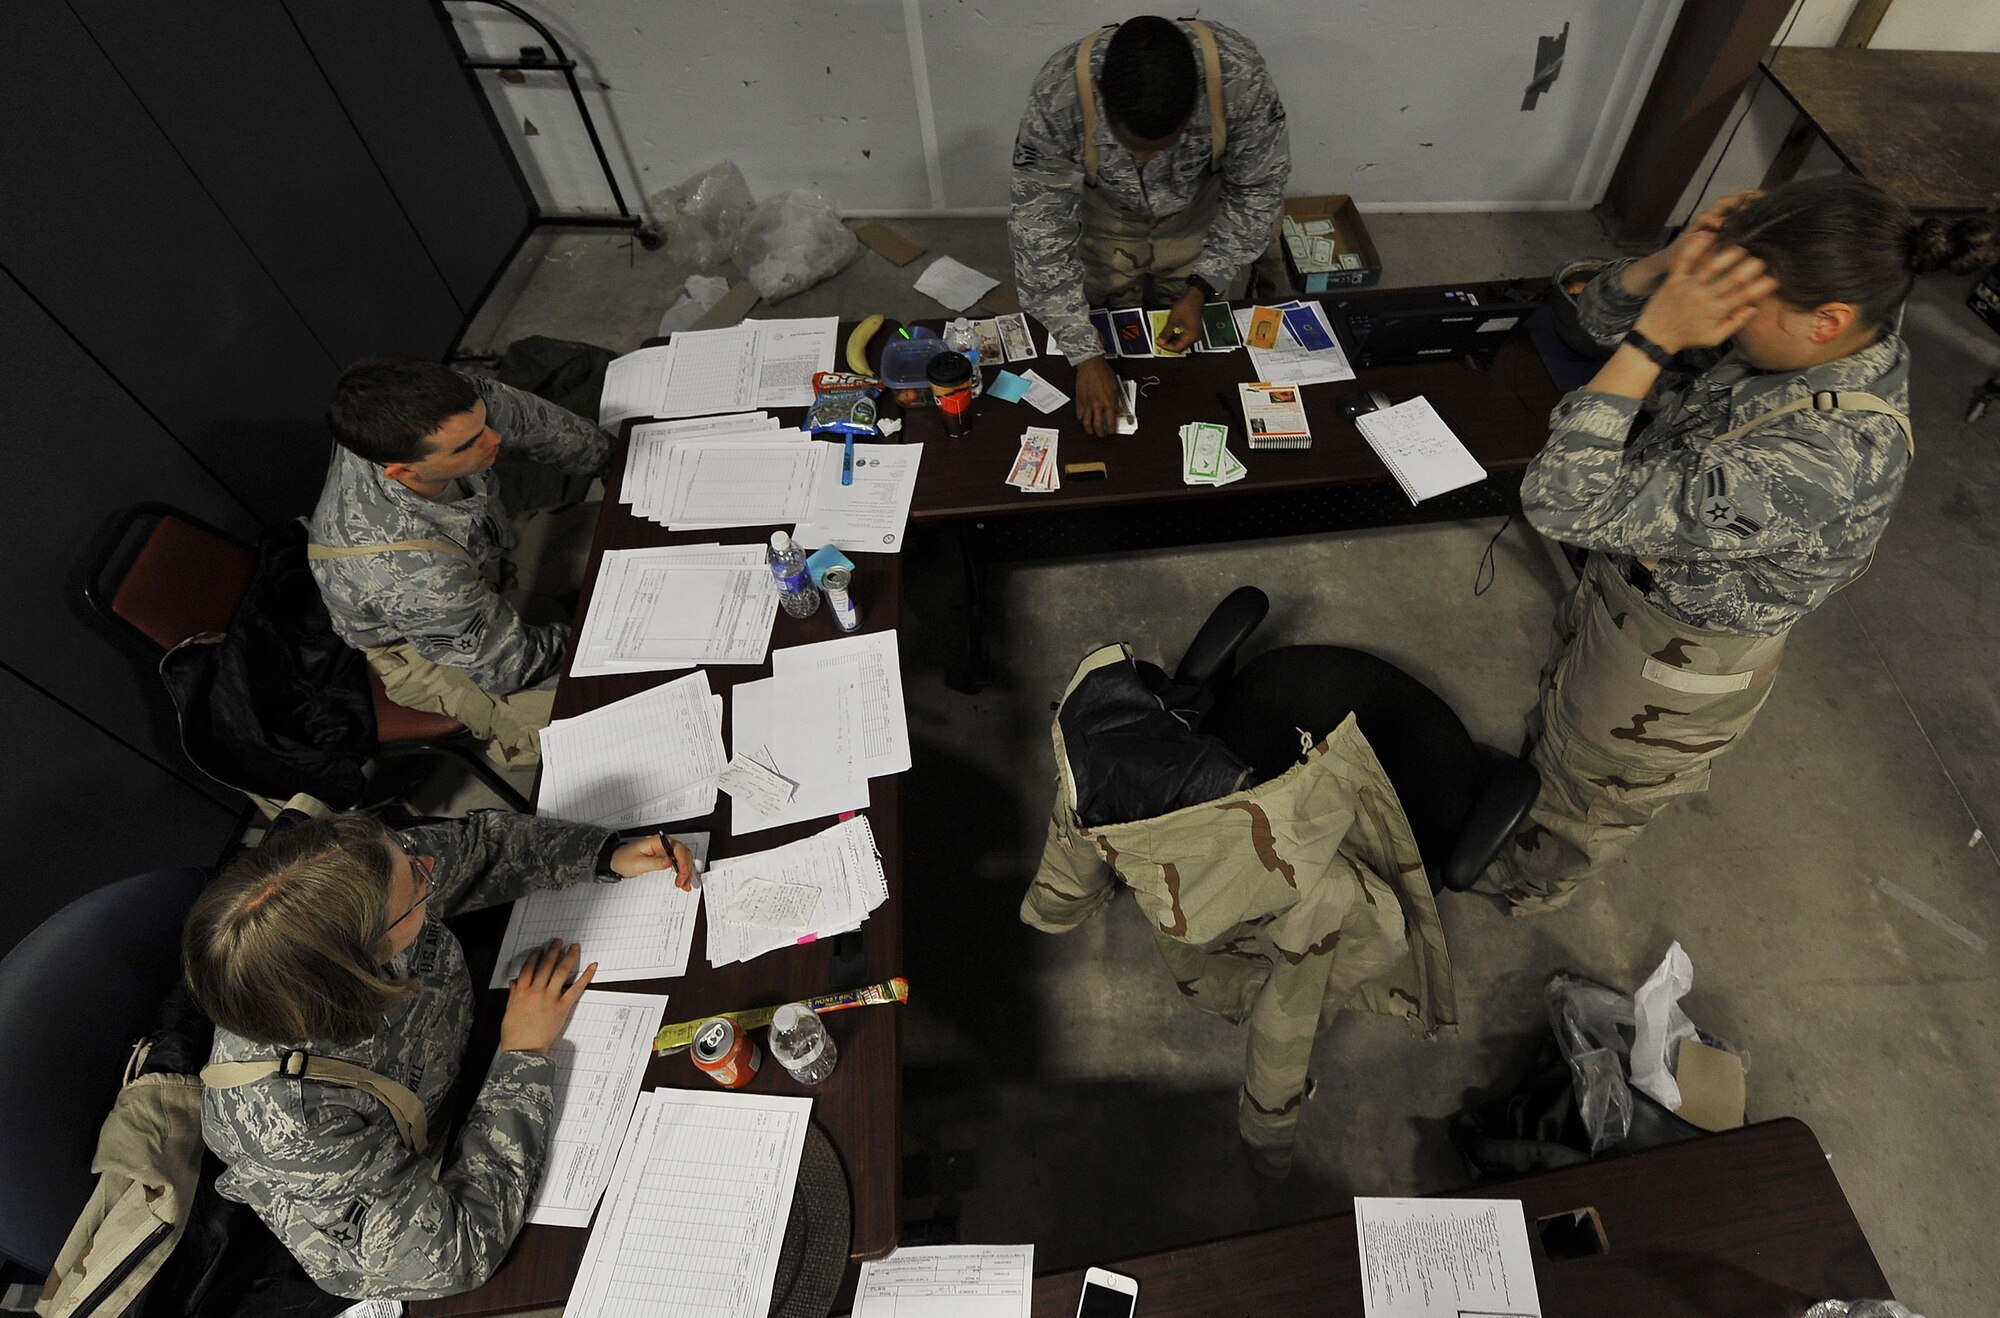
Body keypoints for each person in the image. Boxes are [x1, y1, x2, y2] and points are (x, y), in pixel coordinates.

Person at [1480, 175, 1997, 913]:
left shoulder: (1825, 455)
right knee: (1562, 728)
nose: (1721, 316)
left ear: (1827, 321)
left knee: (1588, 796)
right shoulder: (1839, 316)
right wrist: (1668, 268)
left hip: (1671, 662)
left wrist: (1659, 336)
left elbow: (1560, 500)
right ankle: (1536, 780)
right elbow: (1592, 323)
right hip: (1629, 590)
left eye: (1742, 304)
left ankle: (1521, 884)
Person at [183, 810, 692, 1300]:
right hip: (402, 1184)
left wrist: (603, 855)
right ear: (363, 968)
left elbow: (478, 849)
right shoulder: (290, 1123)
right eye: (414, 890)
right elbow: (456, 1254)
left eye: (409, 859)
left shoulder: (358, 874)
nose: (425, 868)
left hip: (456, 1065)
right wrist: (522, 1053)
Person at [308, 359, 613, 765]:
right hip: (434, 643)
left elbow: (537, 423)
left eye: (484, 423)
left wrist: (612, 462)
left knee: (631, 532)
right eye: (468, 445)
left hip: (488, 551)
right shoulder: (404, 572)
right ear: (402, 471)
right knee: (601, 718)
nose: (493, 440)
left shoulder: (445, 408)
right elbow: (509, 664)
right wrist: (609, 640)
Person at [1009, 14, 1290, 436]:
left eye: (1164, 146)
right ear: (1102, 97)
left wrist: (1202, 287)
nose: (1147, 161)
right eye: (1134, 147)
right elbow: (1040, 227)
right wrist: (1085, 357)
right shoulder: (1060, 92)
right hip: (1105, 218)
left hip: (1196, 215)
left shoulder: (1239, 78)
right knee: (1103, 327)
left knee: (1196, 359)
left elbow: (1257, 191)